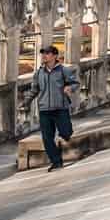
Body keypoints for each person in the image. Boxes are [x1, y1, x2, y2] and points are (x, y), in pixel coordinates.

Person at [33, 44, 78, 172]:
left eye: (47, 53)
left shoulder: (63, 70)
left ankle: (66, 134)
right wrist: (26, 102)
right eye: (43, 53)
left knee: (66, 133)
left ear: (54, 56)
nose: (44, 56)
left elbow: (75, 83)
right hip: (44, 110)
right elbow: (34, 90)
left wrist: (69, 88)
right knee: (47, 138)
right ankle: (56, 161)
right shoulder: (38, 73)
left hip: (60, 108)